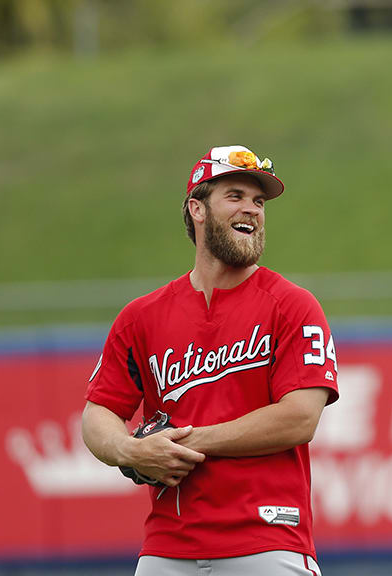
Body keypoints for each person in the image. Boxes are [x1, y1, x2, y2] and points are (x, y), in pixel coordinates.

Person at [81, 145, 338, 575]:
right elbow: (98, 413)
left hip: (267, 541)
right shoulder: (142, 317)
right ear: (196, 210)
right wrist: (131, 450)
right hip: (166, 548)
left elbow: (299, 419)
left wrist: (188, 442)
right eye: (235, 196)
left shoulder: (293, 306)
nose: (252, 210)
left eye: (259, 201)